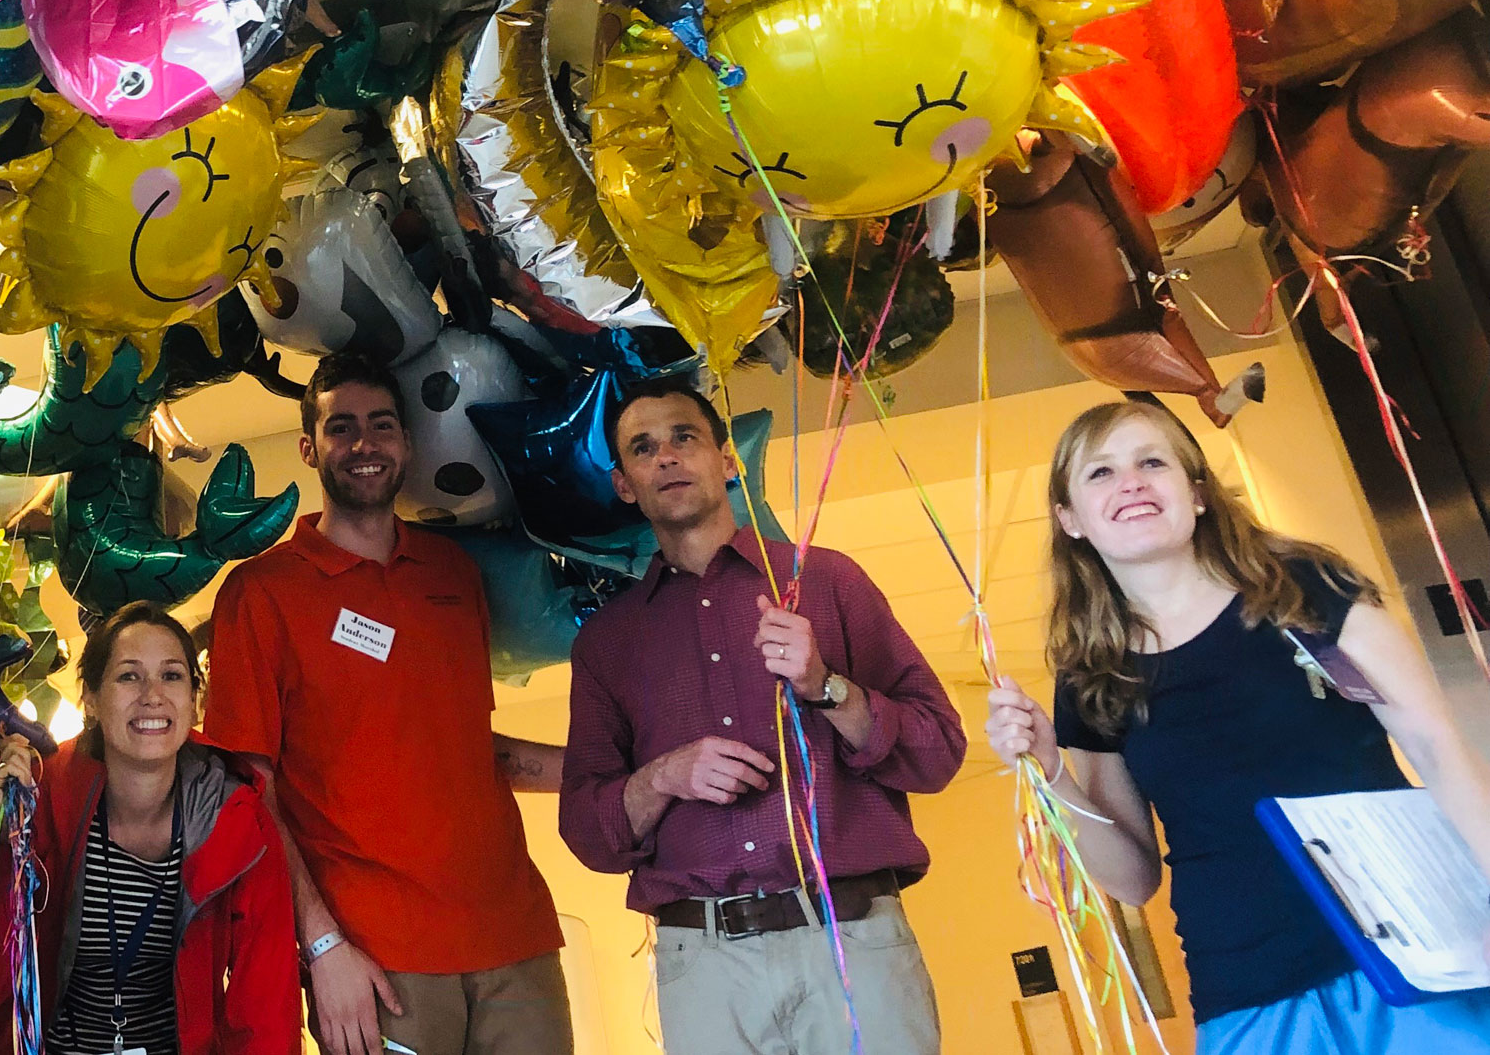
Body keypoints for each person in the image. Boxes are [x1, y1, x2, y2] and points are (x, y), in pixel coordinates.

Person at [987, 399, 1490, 1054]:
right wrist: (1052, 771)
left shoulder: (1304, 590)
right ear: (1071, 520)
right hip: (1248, 993)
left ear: (1197, 492)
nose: (1131, 481)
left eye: (1152, 460)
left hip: (1417, 951)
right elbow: (1133, 878)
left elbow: (1438, 749)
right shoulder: (1092, 673)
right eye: (1100, 472)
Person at [559, 373, 963, 1055]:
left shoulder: (828, 581)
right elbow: (588, 833)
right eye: (643, 447)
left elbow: (939, 750)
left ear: (727, 458)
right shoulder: (607, 643)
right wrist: (663, 776)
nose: (666, 455)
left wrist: (826, 684)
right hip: (705, 967)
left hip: (852, 940)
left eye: (684, 436)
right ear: (625, 483)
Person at [206, 351, 571, 1055]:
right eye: (341, 428)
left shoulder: (452, 573)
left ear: (407, 443)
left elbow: (467, 748)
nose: (364, 444)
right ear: (310, 446)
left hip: (515, 938)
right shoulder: (262, 591)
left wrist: (621, 769)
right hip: (378, 956)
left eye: (381, 426)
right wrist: (320, 943)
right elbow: (249, 792)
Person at [0, 602, 297, 1055]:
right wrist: (1, 838)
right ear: (91, 699)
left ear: (195, 698)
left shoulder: (235, 817)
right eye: (129, 676)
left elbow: (266, 1003)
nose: (153, 694)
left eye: (172, 675)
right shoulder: (43, 796)